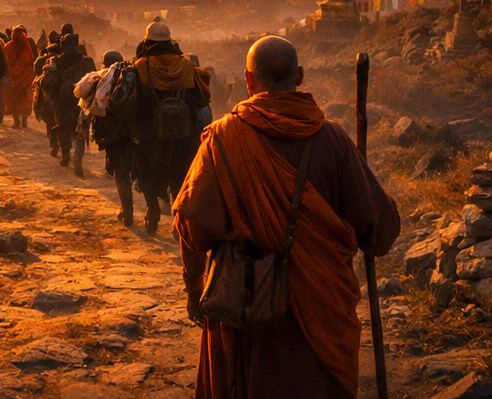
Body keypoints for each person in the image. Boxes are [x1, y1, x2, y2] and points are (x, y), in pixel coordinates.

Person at [174, 36, 400, 399]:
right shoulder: (334, 140)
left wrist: (194, 286)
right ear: (299, 76)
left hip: (243, 304)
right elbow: (378, 227)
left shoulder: (222, 138)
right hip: (319, 311)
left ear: (248, 81)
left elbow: (192, 224)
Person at [134, 21, 210, 235]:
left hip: (151, 135)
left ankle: (152, 209)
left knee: (146, 172)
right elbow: (200, 100)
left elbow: (136, 104)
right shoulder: (186, 65)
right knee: (179, 176)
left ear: (147, 41)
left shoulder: (141, 66)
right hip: (182, 134)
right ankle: (178, 221)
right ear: (170, 40)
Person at [91, 50, 139, 226]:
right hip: (135, 133)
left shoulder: (103, 79)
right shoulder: (134, 77)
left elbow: (95, 109)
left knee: (122, 174)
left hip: (115, 136)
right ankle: (152, 211)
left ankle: (128, 213)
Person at [53, 30, 95, 174]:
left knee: (64, 129)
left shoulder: (57, 61)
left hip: (62, 102)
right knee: (80, 132)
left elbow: (53, 83)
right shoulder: (86, 61)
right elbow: (93, 81)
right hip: (81, 102)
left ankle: (65, 156)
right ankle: (77, 159)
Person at [33, 30, 62, 156]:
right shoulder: (68, 58)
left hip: (46, 95)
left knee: (50, 121)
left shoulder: (43, 59)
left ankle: (54, 145)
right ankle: (61, 144)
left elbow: (36, 69)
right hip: (63, 95)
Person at [4, 25, 38, 129]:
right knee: (25, 99)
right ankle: (24, 119)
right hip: (27, 77)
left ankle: (16, 122)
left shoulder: (8, 46)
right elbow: (34, 59)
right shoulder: (28, 45)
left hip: (13, 78)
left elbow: (5, 62)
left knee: (13, 99)